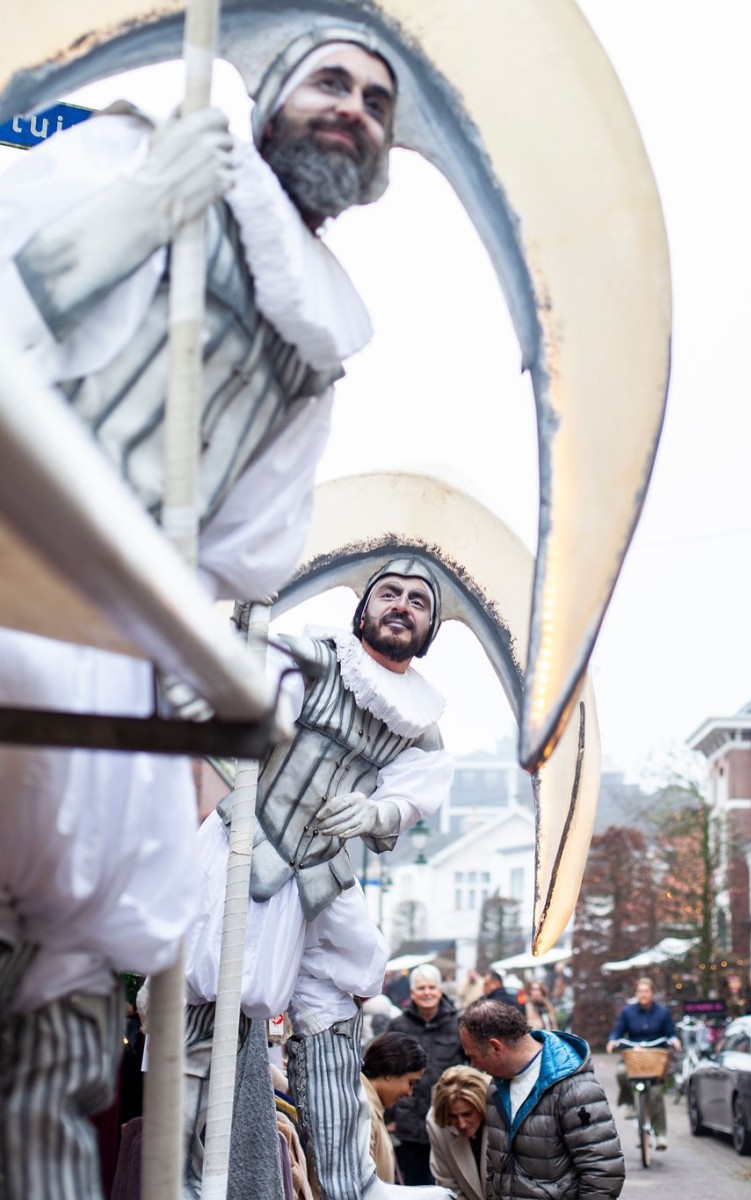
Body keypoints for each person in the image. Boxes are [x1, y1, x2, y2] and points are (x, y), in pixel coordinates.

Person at [0, 27, 402, 1200]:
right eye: (332, 80)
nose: (355, 107)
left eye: (377, 99)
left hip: (107, 654)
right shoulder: (130, 156)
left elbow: (244, 550)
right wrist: (127, 220)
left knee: (57, 1007)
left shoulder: (317, 341)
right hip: (14, 556)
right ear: (269, 97)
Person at [183, 558, 454, 1199]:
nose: (402, 605)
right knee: (217, 997)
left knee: (335, 1009)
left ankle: (350, 1182)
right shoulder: (314, 659)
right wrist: (253, 645)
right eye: (390, 592)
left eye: (419, 601)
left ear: (429, 628)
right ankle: (192, 1177)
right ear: (363, 609)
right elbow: (245, 704)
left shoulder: (419, 718)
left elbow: (420, 788)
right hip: (250, 846)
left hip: (323, 868)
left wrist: (376, 810)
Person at [459, 999, 624, 1199]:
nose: (473, 1065)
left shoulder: (575, 1088)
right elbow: (495, 1168)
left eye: (474, 1056)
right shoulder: (496, 1088)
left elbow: (603, 1174)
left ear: (496, 1048)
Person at [388, 963, 466, 1185]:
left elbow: (472, 1069)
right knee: (411, 1186)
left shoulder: (458, 1024)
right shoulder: (398, 1025)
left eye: (432, 987)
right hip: (408, 1122)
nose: (427, 993)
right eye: (421, 988)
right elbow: (387, 1073)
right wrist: (390, 1117)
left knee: (446, 1185)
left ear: (440, 990)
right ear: (412, 992)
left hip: (448, 1119)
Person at [605, 977, 681, 1149]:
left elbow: (671, 1032)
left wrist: (674, 1040)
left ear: (652, 994)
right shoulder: (628, 1012)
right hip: (634, 1059)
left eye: (646, 992)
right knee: (621, 1072)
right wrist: (612, 1040)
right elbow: (617, 1031)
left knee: (655, 1093)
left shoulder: (662, 1012)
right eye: (640, 992)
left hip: (655, 1061)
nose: (643, 995)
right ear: (636, 993)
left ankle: (660, 1134)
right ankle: (630, 1103)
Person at [361, 1033, 428, 1184]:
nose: (409, 1093)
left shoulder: (367, 1104)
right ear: (391, 1071)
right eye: (410, 1082)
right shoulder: (363, 1109)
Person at [426, 1065, 490, 1200]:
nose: (461, 1124)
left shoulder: (500, 1115)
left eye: (467, 1114)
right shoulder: (436, 1123)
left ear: (481, 1107)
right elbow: (447, 1185)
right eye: (453, 1116)